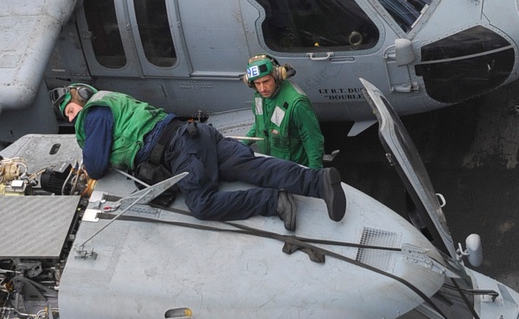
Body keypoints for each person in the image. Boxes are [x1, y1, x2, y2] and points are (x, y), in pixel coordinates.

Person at [58, 84, 344, 231]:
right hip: (196, 134)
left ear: (82, 97)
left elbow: (94, 165)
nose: (72, 120)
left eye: (70, 111)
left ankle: (273, 202)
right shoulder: (113, 99)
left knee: (202, 204)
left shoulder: (93, 114)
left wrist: (85, 144)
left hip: (178, 151)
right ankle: (318, 182)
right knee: (252, 165)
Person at [243, 53, 325, 168]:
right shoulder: (259, 96)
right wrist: (243, 144)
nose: (262, 88)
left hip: (294, 170)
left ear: (277, 77)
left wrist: (315, 176)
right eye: (257, 83)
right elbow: (260, 123)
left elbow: (313, 141)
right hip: (272, 166)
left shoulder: (297, 103)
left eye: (266, 81)